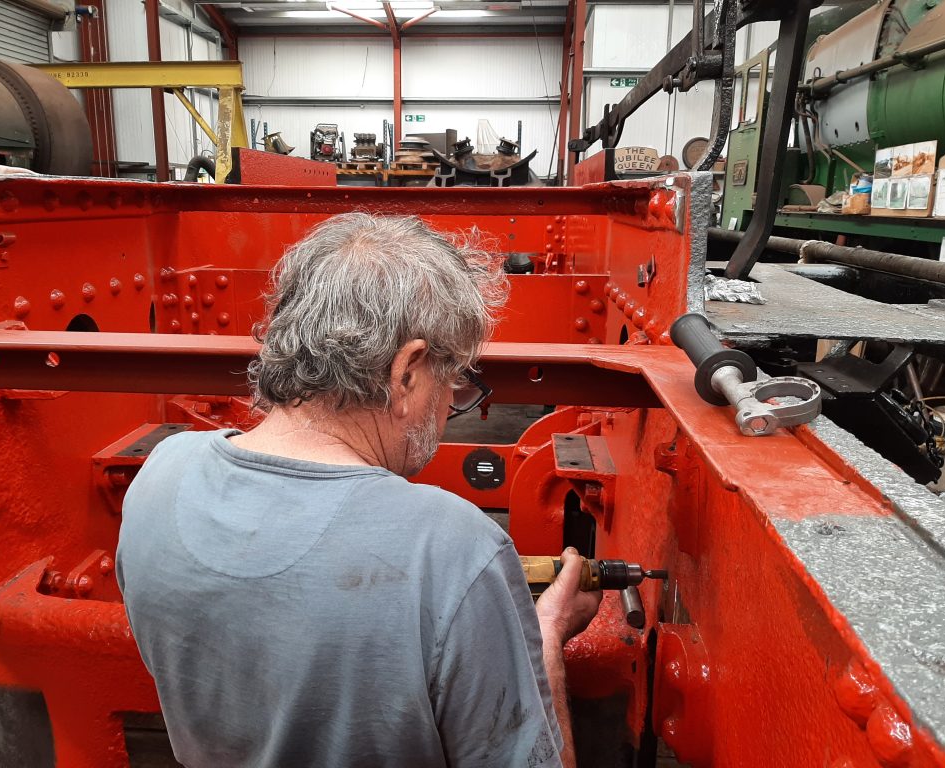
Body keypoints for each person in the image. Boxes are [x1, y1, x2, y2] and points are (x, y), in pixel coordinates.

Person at [116, 213, 602, 767]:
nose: (450, 406)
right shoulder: (451, 548)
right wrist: (542, 646)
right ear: (407, 371)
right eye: (454, 381)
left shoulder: (159, 477)